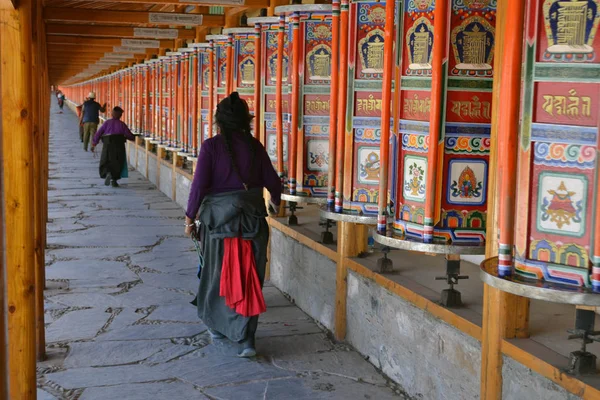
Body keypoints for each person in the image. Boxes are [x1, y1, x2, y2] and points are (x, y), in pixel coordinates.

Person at [184, 92, 281, 358]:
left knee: (217, 274)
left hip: (218, 224)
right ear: (244, 121)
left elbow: (199, 186)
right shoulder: (254, 146)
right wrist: (275, 201)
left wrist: (190, 217)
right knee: (250, 278)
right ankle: (247, 338)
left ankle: (218, 327)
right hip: (252, 223)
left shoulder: (211, 147)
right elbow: (273, 181)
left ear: (219, 122)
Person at [90, 107, 135, 187]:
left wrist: (94, 143)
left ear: (112, 114)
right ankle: (114, 180)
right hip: (118, 144)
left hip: (107, 144)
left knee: (106, 159)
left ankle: (107, 173)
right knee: (118, 161)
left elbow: (98, 133)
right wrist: (133, 137)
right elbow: (129, 135)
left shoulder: (107, 123)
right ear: (120, 115)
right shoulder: (122, 124)